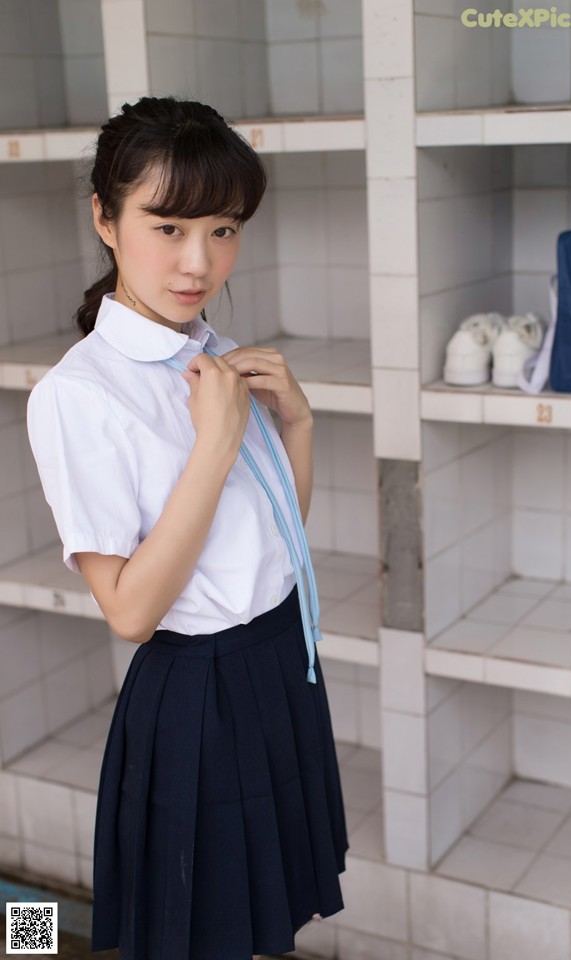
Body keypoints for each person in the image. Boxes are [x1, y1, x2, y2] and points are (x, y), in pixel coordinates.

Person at [26, 95, 349, 960]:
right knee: (193, 934)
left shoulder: (211, 353)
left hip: (276, 663)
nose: (199, 261)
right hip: (200, 695)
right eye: (167, 227)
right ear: (104, 216)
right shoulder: (79, 394)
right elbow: (129, 612)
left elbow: (272, 548)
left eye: (224, 228)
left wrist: (300, 428)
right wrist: (217, 445)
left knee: (260, 924)